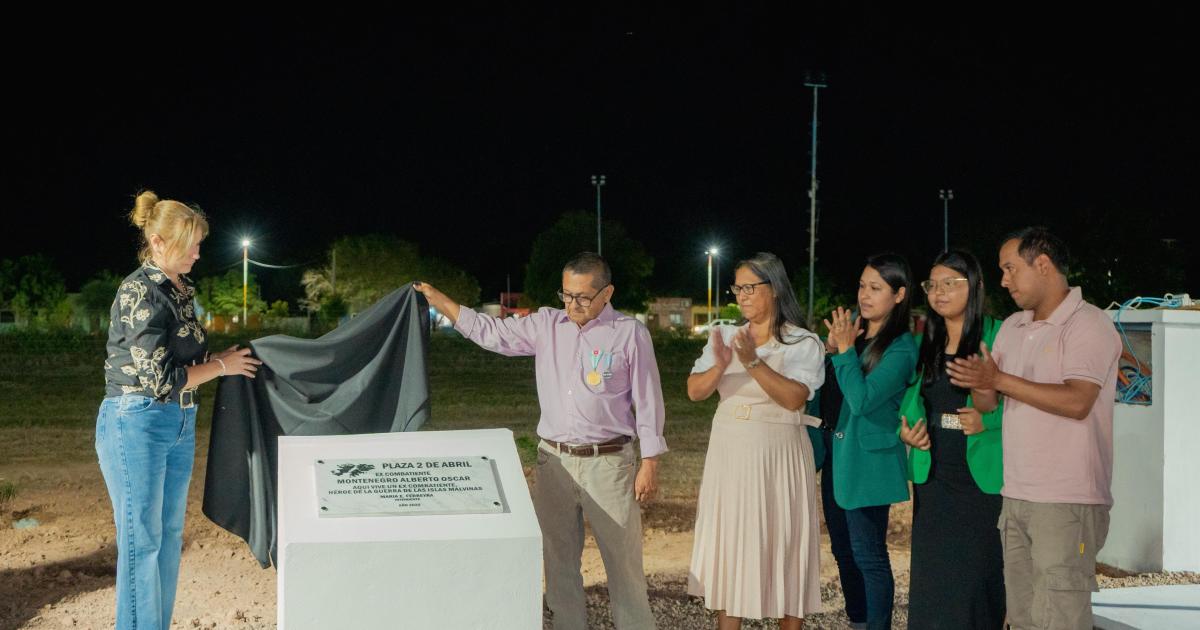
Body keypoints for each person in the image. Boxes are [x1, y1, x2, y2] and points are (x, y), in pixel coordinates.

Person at [414, 252, 664, 630]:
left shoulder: (629, 333)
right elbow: (492, 333)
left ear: (607, 292)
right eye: (566, 295)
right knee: (559, 562)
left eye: (583, 297)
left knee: (623, 567)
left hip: (609, 464)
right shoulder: (547, 324)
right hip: (555, 464)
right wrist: (443, 302)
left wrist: (650, 462)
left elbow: (648, 399)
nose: (573, 304)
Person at [98, 190, 260, 629]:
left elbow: (185, 362)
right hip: (137, 422)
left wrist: (219, 361)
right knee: (142, 542)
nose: (197, 251)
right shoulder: (138, 292)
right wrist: (221, 366)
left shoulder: (179, 290)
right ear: (157, 242)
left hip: (178, 421)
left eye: (198, 242)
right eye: (189, 243)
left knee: (167, 540)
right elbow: (161, 379)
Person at [947, 227, 1121, 630]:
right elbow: (991, 400)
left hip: (1066, 499)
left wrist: (1000, 380)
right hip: (1017, 496)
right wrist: (979, 382)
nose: (1004, 280)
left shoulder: (1088, 324)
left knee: (1060, 618)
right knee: (1023, 617)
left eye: (1010, 269)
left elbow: (1077, 401)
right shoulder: (1012, 326)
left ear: (1042, 264)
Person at [685, 252, 825, 629]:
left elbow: (795, 397)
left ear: (775, 289)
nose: (742, 296)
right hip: (731, 454)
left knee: (783, 544)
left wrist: (751, 362)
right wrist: (719, 365)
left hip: (778, 454)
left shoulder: (802, 341)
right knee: (733, 547)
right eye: (738, 287)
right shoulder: (726, 335)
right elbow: (695, 391)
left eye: (751, 287)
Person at [898, 250, 1005, 629]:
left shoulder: (999, 333)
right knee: (934, 580)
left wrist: (990, 422)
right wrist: (906, 429)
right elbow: (911, 399)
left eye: (949, 284)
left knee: (976, 579)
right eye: (932, 285)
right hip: (935, 473)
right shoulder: (929, 338)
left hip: (982, 477)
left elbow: (1026, 402)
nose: (938, 292)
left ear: (974, 285)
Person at [818, 253, 917, 630]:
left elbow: (861, 400)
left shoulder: (901, 348)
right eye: (862, 285)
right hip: (836, 456)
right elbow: (832, 396)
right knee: (843, 551)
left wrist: (843, 351)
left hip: (868, 463)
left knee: (869, 556)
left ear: (899, 294)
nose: (865, 294)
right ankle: (858, 621)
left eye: (876, 287)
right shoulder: (855, 336)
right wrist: (833, 350)